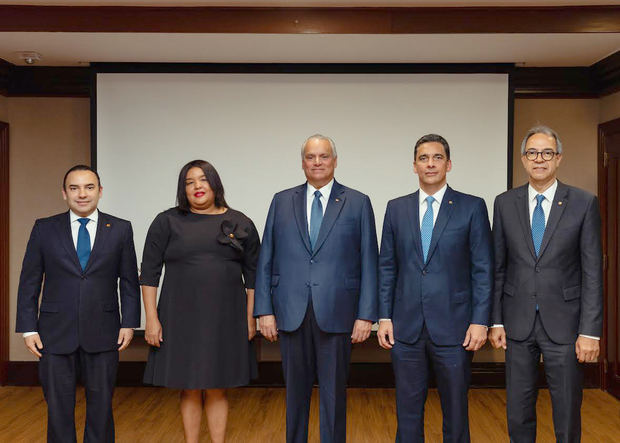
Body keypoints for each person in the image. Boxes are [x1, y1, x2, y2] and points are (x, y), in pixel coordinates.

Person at [254, 134, 378, 443]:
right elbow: (266, 257)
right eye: (311, 157)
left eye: (324, 156)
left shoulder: (358, 202)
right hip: (290, 311)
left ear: (335, 161)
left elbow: (369, 262)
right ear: (302, 163)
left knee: (334, 395)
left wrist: (366, 315)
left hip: (338, 312)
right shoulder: (282, 200)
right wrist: (264, 310)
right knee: (295, 395)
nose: (317, 162)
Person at [489, 125, 602, 442]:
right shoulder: (504, 203)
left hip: (566, 325)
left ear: (559, 158)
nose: (539, 159)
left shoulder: (583, 203)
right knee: (518, 411)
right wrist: (496, 320)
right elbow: (499, 267)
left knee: (566, 410)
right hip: (517, 323)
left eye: (547, 153)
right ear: (523, 159)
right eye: (532, 153)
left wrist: (589, 331)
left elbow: (592, 271)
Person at [377, 134, 493, 442]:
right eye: (424, 158)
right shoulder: (396, 208)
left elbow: (483, 269)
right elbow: (387, 267)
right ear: (414, 166)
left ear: (449, 164)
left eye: (437, 157)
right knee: (407, 411)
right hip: (405, 328)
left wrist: (480, 321)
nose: (430, 164)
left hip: (455, 328)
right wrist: (384, 318)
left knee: (455, 411)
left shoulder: (472, 207)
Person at [15, 164, 140, 443]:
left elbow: (129, 281)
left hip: (104, 331)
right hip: (54, 333)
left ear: (100, 191)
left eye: (89, 187)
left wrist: (129, 323)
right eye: (74, 188)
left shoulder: (120, 229)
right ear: (64, 193)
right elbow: (29, 281)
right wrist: (28, 328)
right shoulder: (44, 229)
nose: (82, 194)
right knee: (58, 409)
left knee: (101, 409)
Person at [140, 159, 259, 443]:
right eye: (190, 181)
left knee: (218, 386)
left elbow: (255, 275)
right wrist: (152, 319)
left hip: (226, 317)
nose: (197, 186)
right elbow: (149, 273)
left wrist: (250, 316)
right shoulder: (166, 221)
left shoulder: (241, 222)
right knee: (189, 386)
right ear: (183, 189)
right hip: (179, 316)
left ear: (215, 183)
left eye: (203, 179)